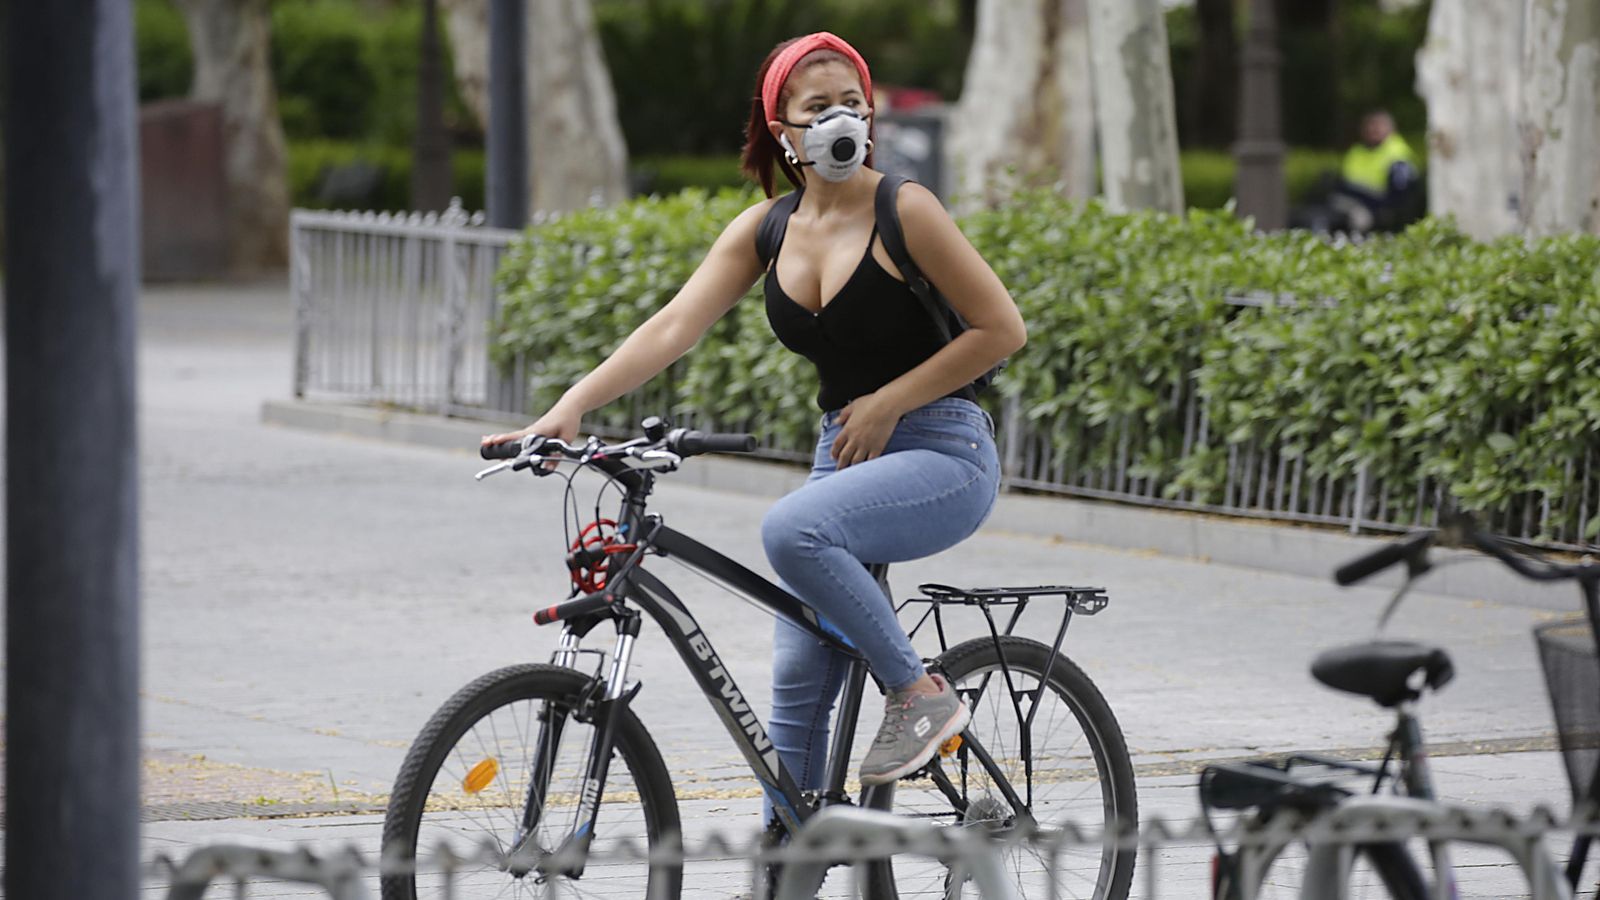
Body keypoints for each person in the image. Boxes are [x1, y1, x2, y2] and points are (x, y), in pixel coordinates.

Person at [482, 32, 1025, 817]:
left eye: (852, 103)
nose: (840, 118)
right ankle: (783, 863)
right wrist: (571, 407)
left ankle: (918, 695)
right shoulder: (766, 228)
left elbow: (1001, 328)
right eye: (818, 107)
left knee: (792, 532)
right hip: (843, 462)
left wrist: (890, 400)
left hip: (944, 451)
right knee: (796, 697)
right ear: (784, 130)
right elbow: (673, 327)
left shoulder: (904, 209)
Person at [1292, 109, 1422, 234]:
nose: (1373, 130)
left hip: (1376, 211)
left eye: (1378, 126)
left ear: (1391, 129)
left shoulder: (1397, 154)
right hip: (1348, 202)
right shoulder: (1356, 152)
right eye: (1369, 126)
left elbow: (1399, 200)